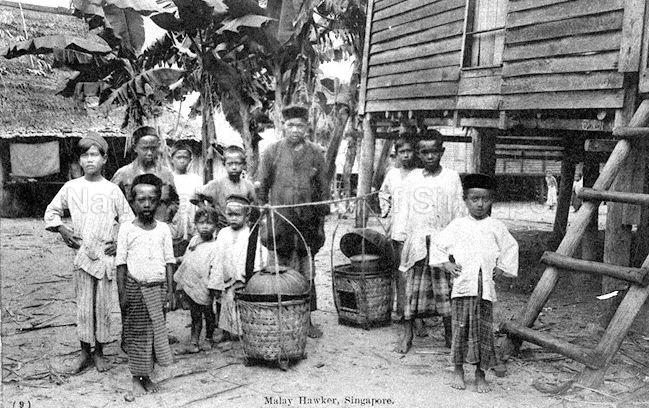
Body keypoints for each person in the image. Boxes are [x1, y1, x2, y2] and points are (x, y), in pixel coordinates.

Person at [44, 132, 134, 373]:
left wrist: (118, 242)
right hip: (83, 253)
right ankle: (85, 351)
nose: (90, 160)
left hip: (105, 254)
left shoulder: (112, 190)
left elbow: (128, 220)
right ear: (79, 161)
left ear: (104, 159)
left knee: (103, 305)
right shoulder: (71, 187)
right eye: (85, 155)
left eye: (95, 155)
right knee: (84, 304)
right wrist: (63, 230)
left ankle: (101, 352)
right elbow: (51, 213)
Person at [429, 173, 518, 393]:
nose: (480, 204)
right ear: (465, 200)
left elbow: (510, 247)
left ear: (492, 200)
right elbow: (437, 244)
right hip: (462, 286)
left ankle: (480, 374)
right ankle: (458, 371)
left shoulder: (496, 226)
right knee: (460, 328)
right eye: (474, 199)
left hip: (484, 288)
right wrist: (446, 264)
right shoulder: (458, 225)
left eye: (485, 199)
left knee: (483, 330)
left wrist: (501, 267)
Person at [256, 104, 330, 339]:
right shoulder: (271, 152)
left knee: (306, 272)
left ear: (307, 127)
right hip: (280, 223)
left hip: (307, 224)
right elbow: (261, 186)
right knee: (278, 271)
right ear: (283, 126)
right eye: (290, 125)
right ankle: (278, 318)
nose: (295, 129)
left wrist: (320, 222)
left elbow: (323, 191)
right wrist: (264, 210)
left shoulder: (316, 153)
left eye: (300, 125)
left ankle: (306, 319)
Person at [392, 129, 465, 354]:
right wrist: (400, 239)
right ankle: (407, 334)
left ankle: (449, 334)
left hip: (443, 242)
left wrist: (458, 243)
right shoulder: (413, 178)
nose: (430, 157)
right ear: (419, 154)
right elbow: (403, 211)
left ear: (441, 151)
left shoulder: (451, 177)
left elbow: (458, 211)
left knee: (446, 291)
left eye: (434, 151)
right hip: (417, 242)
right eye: (424, 152)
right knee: (412, 291)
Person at [116, 174, 176, 401]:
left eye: (152, 199)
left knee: (154, 334)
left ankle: (147, 377)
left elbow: (169, 261)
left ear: (159, 201)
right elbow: (120, 264)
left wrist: (170, 291)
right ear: (133, 202)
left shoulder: (163, 229)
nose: (147, 204)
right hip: (135, 289)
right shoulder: (126, 229)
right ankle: (136, 379)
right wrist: (122, 294)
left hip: (158, 289)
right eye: (141, 199)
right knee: (137, 334)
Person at [379, 133, 422, 328]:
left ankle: (415, 315)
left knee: (415, 272)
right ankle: (400, 308)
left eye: (409, 151)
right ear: (396, 154)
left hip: (415, 230)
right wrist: (387, 218)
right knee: (398, 270)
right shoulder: (392, 174)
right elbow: (384, 194)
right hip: (396, 229)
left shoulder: (421, 175)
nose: (406, 155)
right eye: (402, 151)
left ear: (415, 153)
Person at [111, 125, 179, 224]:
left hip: (159, 230)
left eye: (153, 148)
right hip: (132, 230)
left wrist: (166, 218)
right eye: (145, 148)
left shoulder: (166, 174)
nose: (150, 153)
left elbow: (174, 201)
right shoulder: (123, 174)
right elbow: (112, 203)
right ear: (135, 148)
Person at [174, 206, 219, 352]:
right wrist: (179, 260)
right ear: (195, 224)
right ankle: (194, 342)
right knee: (194, 313)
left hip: (206, 285)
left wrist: (214, 287)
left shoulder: (215, 246)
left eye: (209, 223)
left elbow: (217, 269)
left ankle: (209, 338)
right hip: (193, 282)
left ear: (215, 226)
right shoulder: (194, 240)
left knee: (208, 312)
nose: (205, 226)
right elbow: (189, 257)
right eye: (201, 223)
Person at [208, 195, 251, 340]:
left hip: (242, 274)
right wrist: (216, 276)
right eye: (230, 214)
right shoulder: (223, 233)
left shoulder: (249, 233)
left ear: (246, 215)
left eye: (237, 215)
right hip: (226, 273)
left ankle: (242, 331)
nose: (233, 218)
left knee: (241, 302)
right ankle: (224, 330)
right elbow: (218, 255)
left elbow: (254, 256)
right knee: (224, 301)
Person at [190, 145, 256, 230]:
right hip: (221, 228)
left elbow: (255, 206)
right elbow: (195, 195)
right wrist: (207, 211)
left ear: (243, 165)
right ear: (224, 164)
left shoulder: (248, 186)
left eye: (238, 163)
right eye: (230, 164)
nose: (234, 167)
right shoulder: (217, 184)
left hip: (242, 229)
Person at [169, 142, 203, 253]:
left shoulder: (196, 179)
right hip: (174, 224)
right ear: (172, 159)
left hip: (191, 224)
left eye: (185, 157)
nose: (182, 161)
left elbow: (200, 203)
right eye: (179, 157)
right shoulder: (168, 178)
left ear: (190, 160)